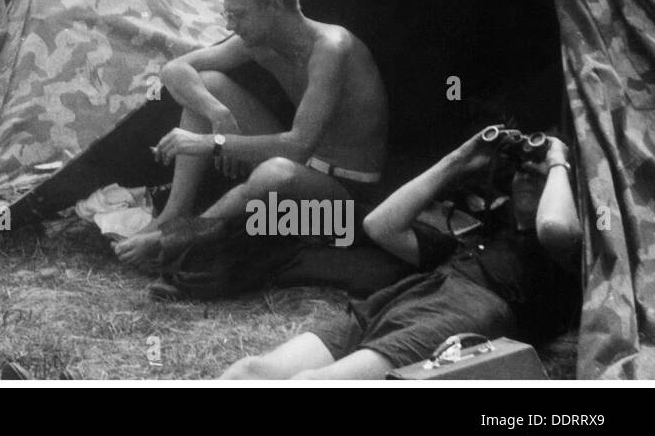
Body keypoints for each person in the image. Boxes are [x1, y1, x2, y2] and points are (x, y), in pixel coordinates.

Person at [221, 129, 581, 378]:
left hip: (474, 311)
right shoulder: (479, 236)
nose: (529, 175)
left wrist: (558, 159)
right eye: (523, 170)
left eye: (541, 175)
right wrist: (458, 160)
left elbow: (554, 227)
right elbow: (381, 225)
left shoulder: (563, 255)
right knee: (249, 372)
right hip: (408, 296)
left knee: (316, 382)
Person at [115, 0, 388, 271]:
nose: (230, 24)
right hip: (304, 163)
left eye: (239, 15)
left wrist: (212, 143)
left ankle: (179, 239)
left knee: (274, 174)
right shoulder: (258, 41)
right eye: (228, 14)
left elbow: (299, 144)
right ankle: (173, 215)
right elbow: (175, 70)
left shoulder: (331, 47)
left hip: (347, 192)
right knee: (208, 84)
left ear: (274, 5)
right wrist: (219, 116)